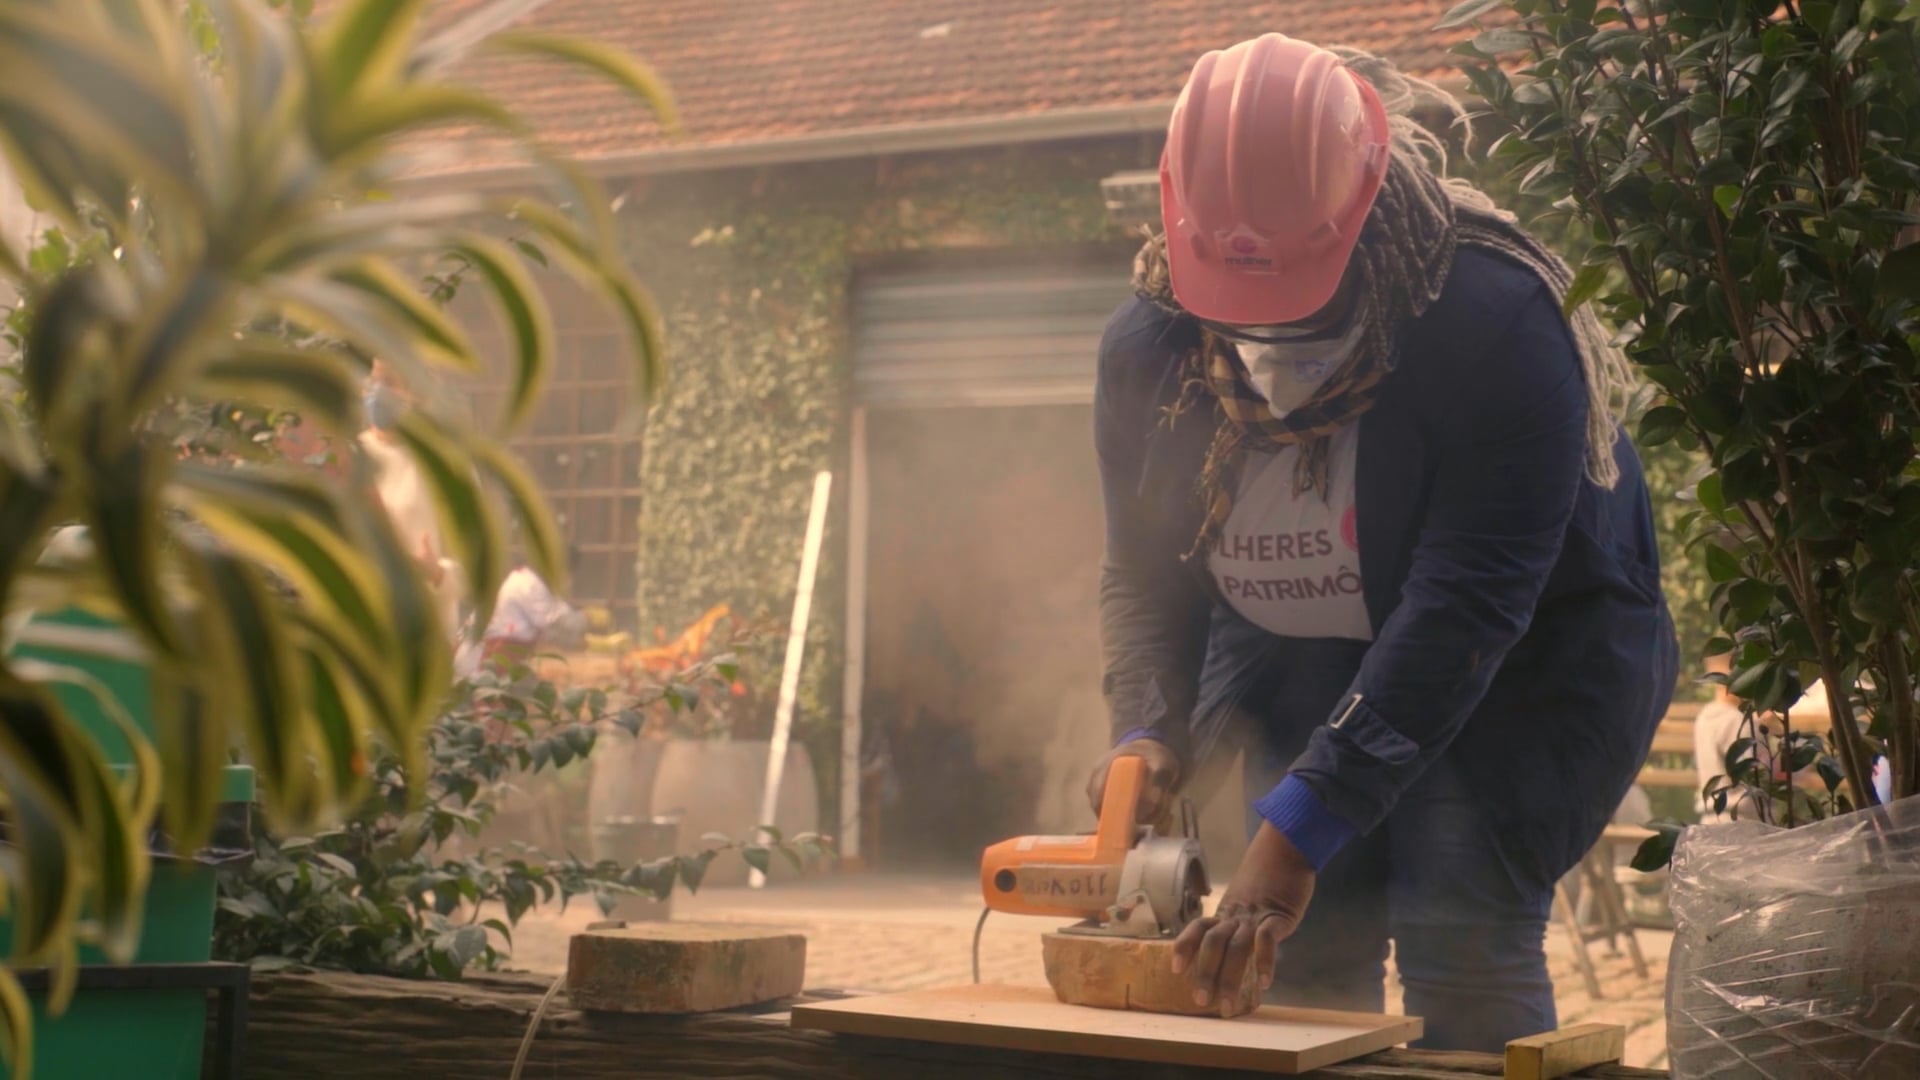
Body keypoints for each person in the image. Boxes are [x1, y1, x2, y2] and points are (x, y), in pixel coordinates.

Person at [1084, 35, 1677, 1051]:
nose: (1269, 341)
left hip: (1516, 665)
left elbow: (1464, 609)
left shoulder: (1495, 326)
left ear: (1362, 211)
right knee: (1302, 950)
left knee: (1461, 924)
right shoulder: (1153, 347)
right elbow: (1146, 572)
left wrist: (1307, 825)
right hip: (1303, 653)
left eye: (1298, 294)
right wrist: (1147, 729)